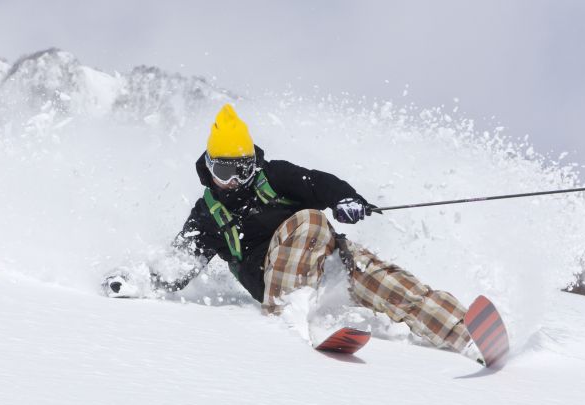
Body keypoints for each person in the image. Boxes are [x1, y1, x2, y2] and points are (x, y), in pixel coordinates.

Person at [104, 104, 482, 361]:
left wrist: (346, 199)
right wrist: (135, 281)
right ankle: (295, 317)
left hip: (328, 262)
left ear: (254, 163)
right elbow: (179, 264)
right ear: (209, 168)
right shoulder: (209, 215)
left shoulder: (276, 176)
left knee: (385, 279)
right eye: (223, 171)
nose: (234, 181)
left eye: (242, 169)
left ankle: (465, 333)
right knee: (309, 221)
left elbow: (319, 184)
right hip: (276, 285)